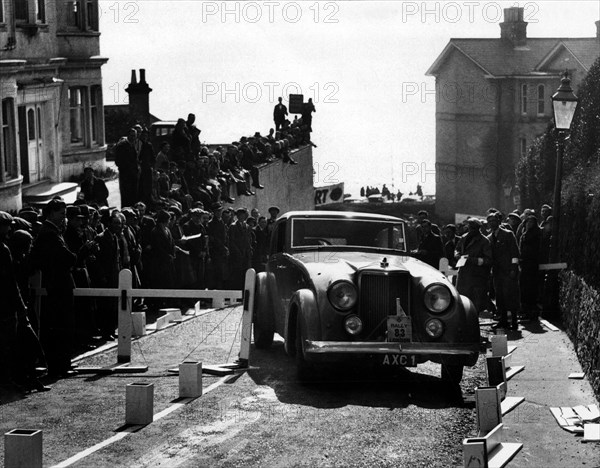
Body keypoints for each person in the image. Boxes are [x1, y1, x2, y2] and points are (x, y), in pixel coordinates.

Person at [30, 199, 78, 377]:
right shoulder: (49, 233)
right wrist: (75, 256)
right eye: (61, 214)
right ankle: (58, 367)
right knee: (59, 327)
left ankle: (63, 364)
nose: (64, 218)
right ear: (51, 213)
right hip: (57, 285)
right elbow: (66, 258)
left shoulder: (54, 231)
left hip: (60, 284)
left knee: (63, 326)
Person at [487, 212, 521, 330]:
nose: (492, 223)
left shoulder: (508, 234)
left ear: (499, 222)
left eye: (494, 220)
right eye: (490, 221)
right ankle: (503, 321)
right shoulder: (489, 238)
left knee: (511, 295)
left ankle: (515, 321)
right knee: (500, 296)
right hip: (497, 272)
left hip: (508, 271)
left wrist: (513, 268)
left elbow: (515, 253)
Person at [454, 218, 492, 314]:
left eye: (474, 228)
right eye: (470, 227)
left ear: (478, 229)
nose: (471, 230)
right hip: (463, 274)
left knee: (475, 304)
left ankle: (474, 324)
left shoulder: (484, 241)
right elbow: (457, 249)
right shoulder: (464, 237)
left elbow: (488, 260)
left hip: (476, 276)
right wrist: (457, 255)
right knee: (462, 300)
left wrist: (472, 260)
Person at [519, 215, 541, 320]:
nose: (529, 224)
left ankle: (532, 312)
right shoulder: (524, 234)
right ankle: (526, 310)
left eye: (531, 222)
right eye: (528, 222)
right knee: (524, 288)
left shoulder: (536, 234)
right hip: (525, 265)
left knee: (531, 289)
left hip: (532, 264)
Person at [228, 208, 253, 289]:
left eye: (243, 214)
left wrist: (249, 250)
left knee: (246, 274)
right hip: (237, 254)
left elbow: (249, 240)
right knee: (237, 275)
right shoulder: (233, 226)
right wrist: (237, 252)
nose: (242, 216)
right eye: (240, 215)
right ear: (237, 216)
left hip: (246, 254)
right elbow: (231, 241)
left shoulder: (247, 226)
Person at [115, 128, 140, 208]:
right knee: (126, 196)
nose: (133, 138)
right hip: (126, 176)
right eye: (132, 136)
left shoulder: (132, 145)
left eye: (135, 136)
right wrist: (127, 169)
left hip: (133, 175)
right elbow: (118, 161)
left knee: (133, 196)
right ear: (128, 135)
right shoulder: (122, 145)